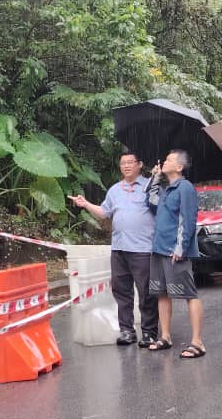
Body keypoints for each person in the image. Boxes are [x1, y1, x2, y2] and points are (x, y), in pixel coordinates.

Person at [69, 151, 158, 348]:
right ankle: (127, 331)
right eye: (123, 163)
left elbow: (160, 208)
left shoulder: (150, 186)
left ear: (139, 164)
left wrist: (158, 178)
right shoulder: (115, 190)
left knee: (146, 293)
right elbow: (103, 213)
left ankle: (150, 332)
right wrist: (85, 204)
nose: (126, 166)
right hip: (119, 249)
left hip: (143, 248)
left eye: (130, 162)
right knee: (121, 292)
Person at [144, 150, 204, 358]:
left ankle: (197, 341)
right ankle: (166, 336)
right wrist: (154, 176)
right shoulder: (165, 188)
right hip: (158, 249)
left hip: (174, 250)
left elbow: (189, 219)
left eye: (169, 159)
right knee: (162, 293)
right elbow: (150, 202)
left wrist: (181, 247)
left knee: (189, 293)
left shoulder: (185, 188)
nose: (164, 161)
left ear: (179, 167)